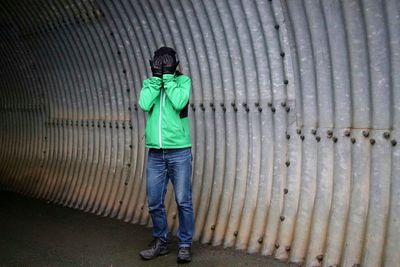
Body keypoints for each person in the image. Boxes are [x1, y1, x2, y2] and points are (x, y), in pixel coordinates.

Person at [138, 46, 194, 263]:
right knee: (153, 201)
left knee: (183, 201)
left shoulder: (183, 82)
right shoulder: (150, 84)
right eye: (159, 61)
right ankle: (160, 241)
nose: (163, 64)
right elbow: (144, 104)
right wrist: (156, 79)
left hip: (179, 151)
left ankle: (185, 245)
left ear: (175, 63)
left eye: (167, 61)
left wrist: (169, 78)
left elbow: (179, 102)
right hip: (155, 154)